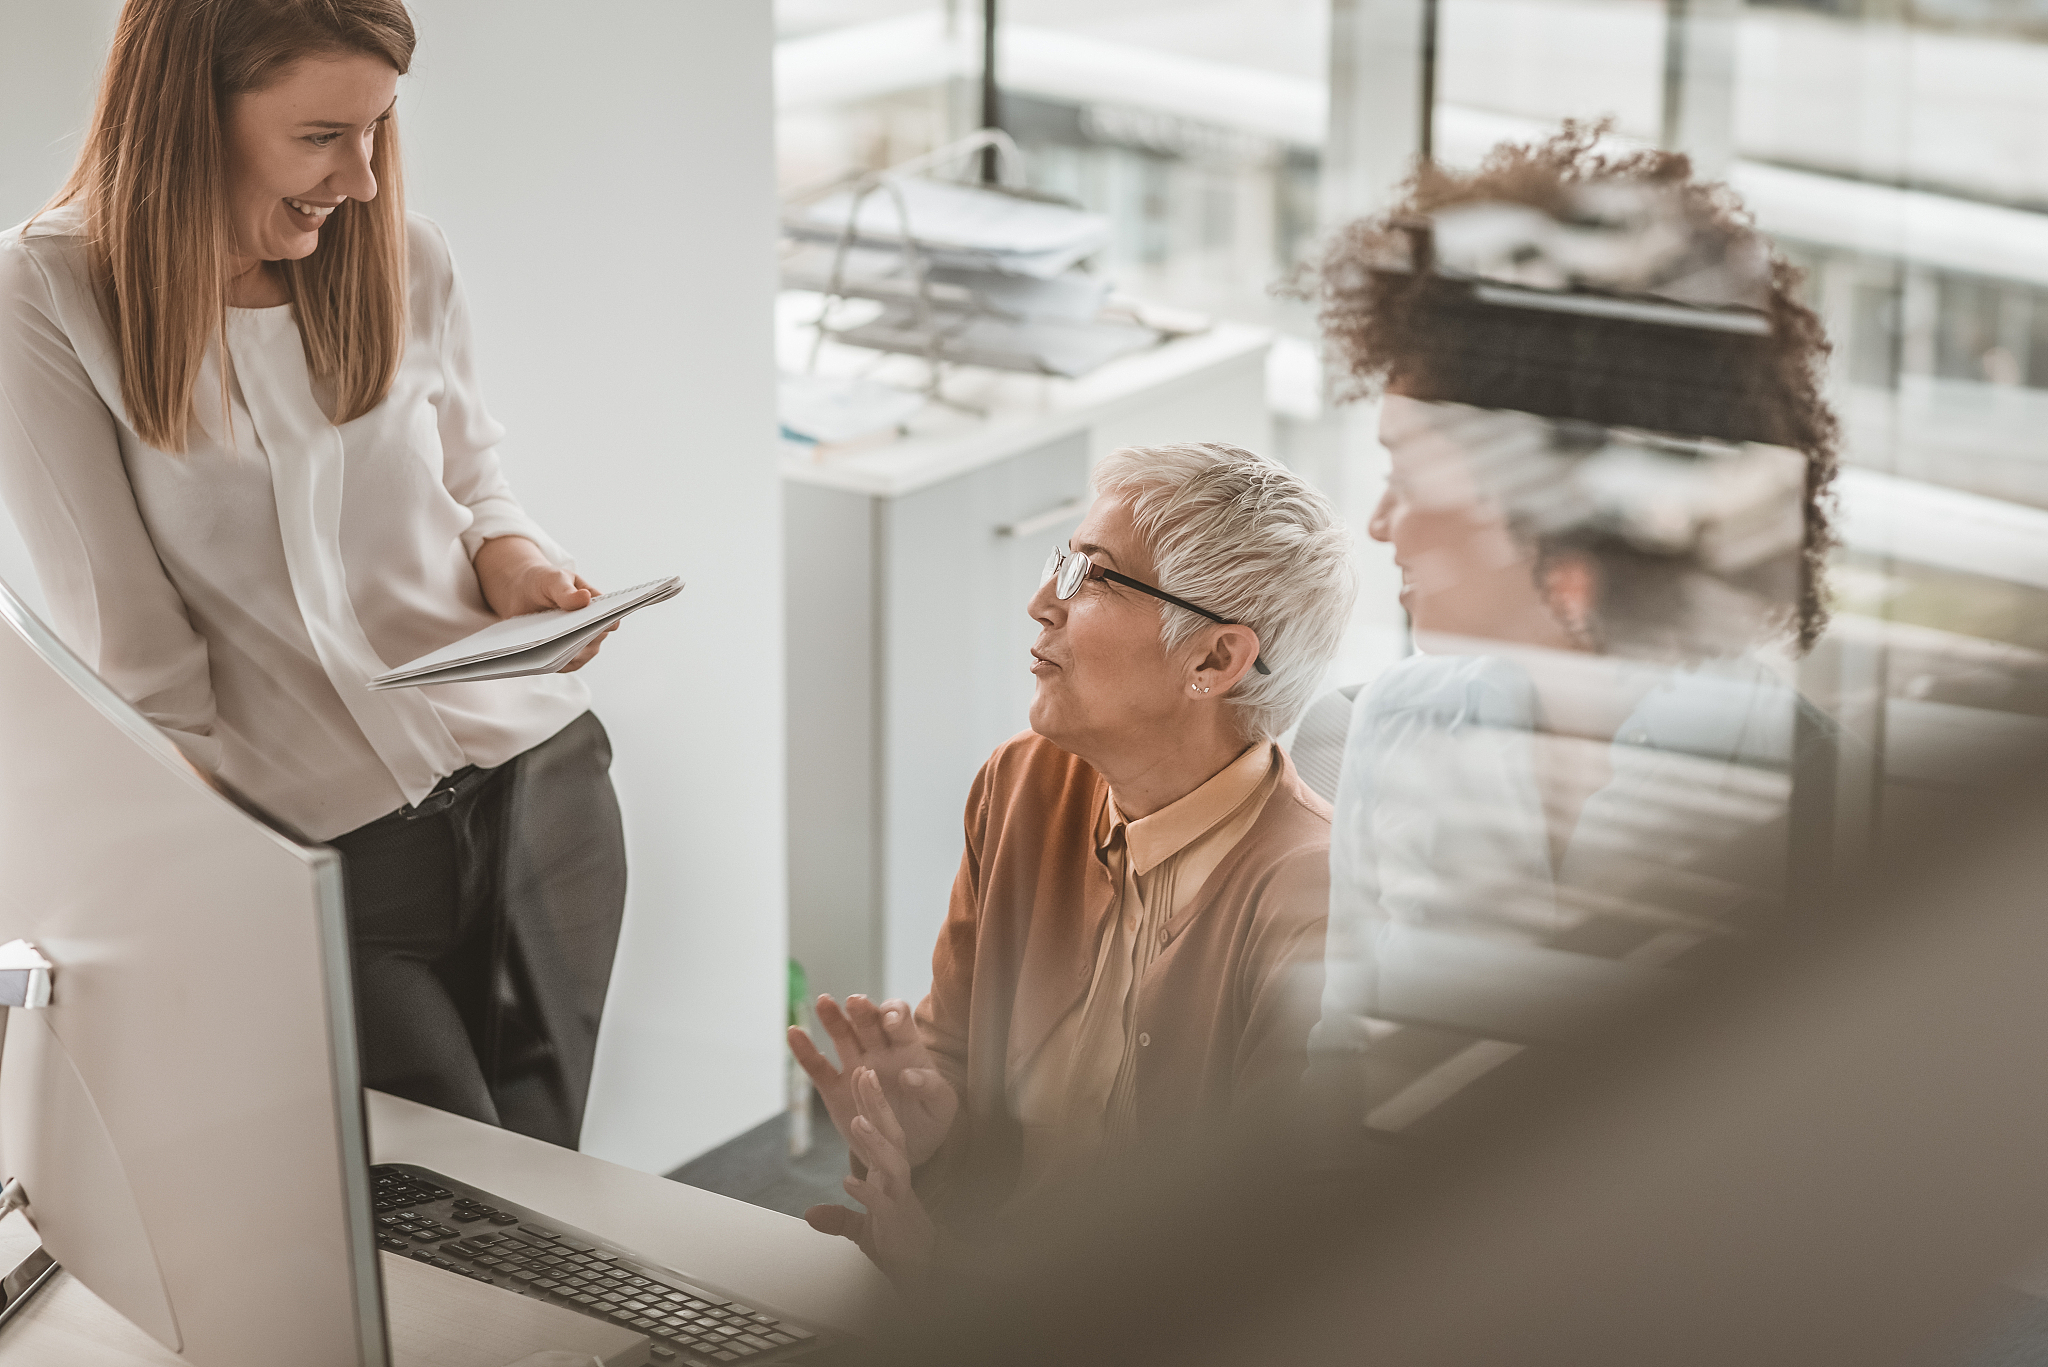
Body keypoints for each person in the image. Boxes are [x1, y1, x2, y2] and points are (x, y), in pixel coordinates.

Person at [0, 0, 625, 1148]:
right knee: (438, 1213)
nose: (367, 179)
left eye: (379, 129)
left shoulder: (406, 255)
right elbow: (131, 643)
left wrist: (521, 565)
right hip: (323, 854)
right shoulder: (48, 291)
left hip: (542, 784)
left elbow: (477, 487)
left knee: (548, 1200)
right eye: (323, 136)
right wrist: (205, 894)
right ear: (194, 112)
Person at [1297, 125, 1843, 1146]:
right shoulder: (1394, 723)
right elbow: (1339, 1058)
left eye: (1410, 475)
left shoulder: (1803, 787)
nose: (1378, 523)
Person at [786, 442, 1357, 1287]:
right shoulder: (1021, 784)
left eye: (1092, 576)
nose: (1040, 603)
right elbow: (950, 1061)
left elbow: (1260, 1268)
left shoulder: (1311, 897)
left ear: (1214, 660)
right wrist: (929, 1133)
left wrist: (947, 1281)